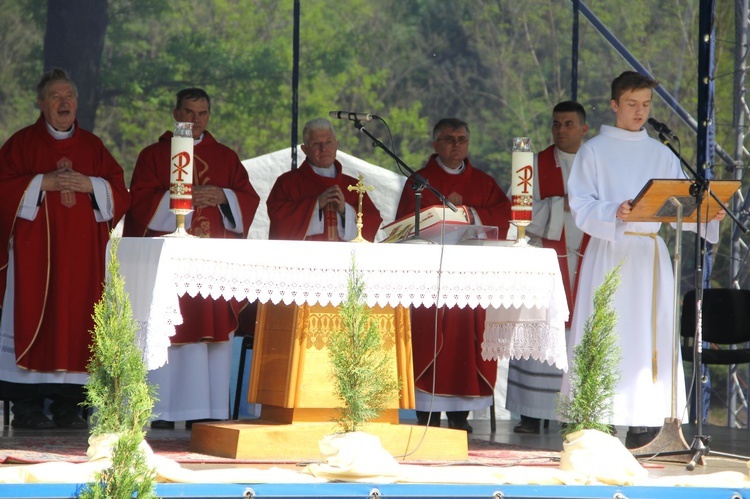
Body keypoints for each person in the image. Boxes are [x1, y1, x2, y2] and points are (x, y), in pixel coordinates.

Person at [563, 71, 724, 448]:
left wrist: (705, 214)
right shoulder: (593, 151)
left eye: (646, 105)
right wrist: (612, 210)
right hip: (611, 250)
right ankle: (598, 416)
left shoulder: (660, 151)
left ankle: (645, 418)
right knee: (608, 327)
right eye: (632, 104)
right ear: (615, 104)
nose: (639, 112)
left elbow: (677, 205)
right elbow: (581, 205)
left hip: (651, 254)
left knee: (650, 333)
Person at [0, 68, 130, 429]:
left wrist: (91, 185)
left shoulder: (92, 146)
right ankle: (25, 406)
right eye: (55, 96)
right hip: (34, 258)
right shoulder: (21, 144)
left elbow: (121, 194)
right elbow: (2, 190)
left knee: (79, 323)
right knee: (31, 318)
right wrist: (42, 182)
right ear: (41, 103)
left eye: (69, 96)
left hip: (84, 257)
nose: (64, 102)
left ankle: (70, 406)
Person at [123, 87, 260, 429]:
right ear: (176, 113)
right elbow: (139, 206)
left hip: (210, 266)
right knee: (166, 329)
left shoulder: (226, 158)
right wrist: (179, 197)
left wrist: (224, 196)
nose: (195, 120)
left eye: (202, 113)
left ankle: (208, 413)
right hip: (166, 266)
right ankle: (162, 413)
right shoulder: (154, 156)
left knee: (208, 337)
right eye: (188, 112)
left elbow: (247, 200)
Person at [395, 118, 512, 432]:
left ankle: (461, 416)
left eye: (461, 138)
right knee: (429, 339)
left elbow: (503, 214)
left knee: (466, 342)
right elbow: (405, 225)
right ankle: (427, 414)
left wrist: (469, 213)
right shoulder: (419, 182)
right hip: (429, 277)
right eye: (448, 139)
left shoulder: (484, 182)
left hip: (471, 277)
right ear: (435, 145)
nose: (456, 144)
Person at [505, 101, 589, 434]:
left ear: (584, 128)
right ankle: (530, 413)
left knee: (581, 332)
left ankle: (581, 411)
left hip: (585, 257)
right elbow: (517, 211)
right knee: (538, 328)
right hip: (546, 259)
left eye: (569, 124)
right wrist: (561, 206)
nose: (561, 130)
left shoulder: (595, 162)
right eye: (556, 124)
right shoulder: (533, 164)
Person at [266, 117, 382, 241]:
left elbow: (372, 220)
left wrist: (345, 210)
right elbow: (279, 225)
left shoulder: (354, 186)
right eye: (316, 143)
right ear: (305, 150)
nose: (323, 149)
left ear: (337, 145)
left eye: (328, 142)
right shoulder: (287, 183)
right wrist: (316, 205)